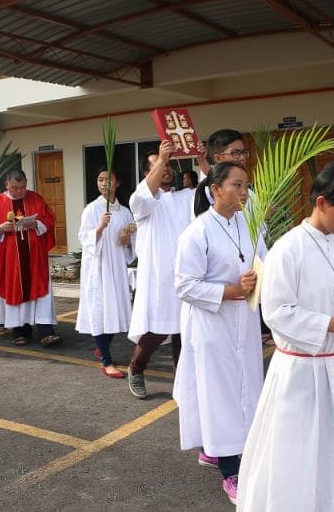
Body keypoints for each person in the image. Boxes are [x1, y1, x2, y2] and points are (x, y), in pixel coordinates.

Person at [238, 164, 334, 511]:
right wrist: (329, 324)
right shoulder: (288, 249)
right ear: (321, 203)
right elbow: (276, 311)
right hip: (300, 372)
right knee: (298, 452)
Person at [174, 161, 265, 505]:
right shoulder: (197, 233)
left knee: (248, 391)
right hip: (213, 327)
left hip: (246, 321)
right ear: (216, 190)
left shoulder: (250, 223)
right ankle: (230, 472)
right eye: (237, 186)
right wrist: (231, 291)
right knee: (222, 399)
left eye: (246, 186)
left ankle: (246, 456)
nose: (244, 193)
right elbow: (185, 287)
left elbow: (262, 260)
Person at [127, 140, 195, 399]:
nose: (166, 168)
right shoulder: (141, 201)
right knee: (157, 329)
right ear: (147, 175)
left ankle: (182, 382)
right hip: (158, 278)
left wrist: (200, 158)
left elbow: (214, 193)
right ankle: (136, 367)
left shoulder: (186, 196)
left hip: (188, 274)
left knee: (185, 330)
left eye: (167, 164)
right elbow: (143, 196)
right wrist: (164, 156)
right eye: (158, 166)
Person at [0, 169, 60, 347]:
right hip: (11, 259)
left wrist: (36, 223)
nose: (20, 192)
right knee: (16, 291)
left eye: (22, 187)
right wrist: (1, 228)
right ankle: (21, 331)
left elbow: (50, 219)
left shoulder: (36, 198)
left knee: (41, 291)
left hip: (35, 257)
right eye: (15, 188)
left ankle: (46, 331)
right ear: (6, 185)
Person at [76, 167, 136, 378]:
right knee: (100, 310)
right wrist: (99, 228)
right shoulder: (92, 210)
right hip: (98, 268)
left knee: (115, 310)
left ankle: (102, 347)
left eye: (108, 180)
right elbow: (84, 239)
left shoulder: (126, 211)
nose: (104, 184)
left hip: (117, 267)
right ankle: (106, 360)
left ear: (117, 183)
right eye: (100, 180)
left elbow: (132, 238)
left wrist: (128, 240)